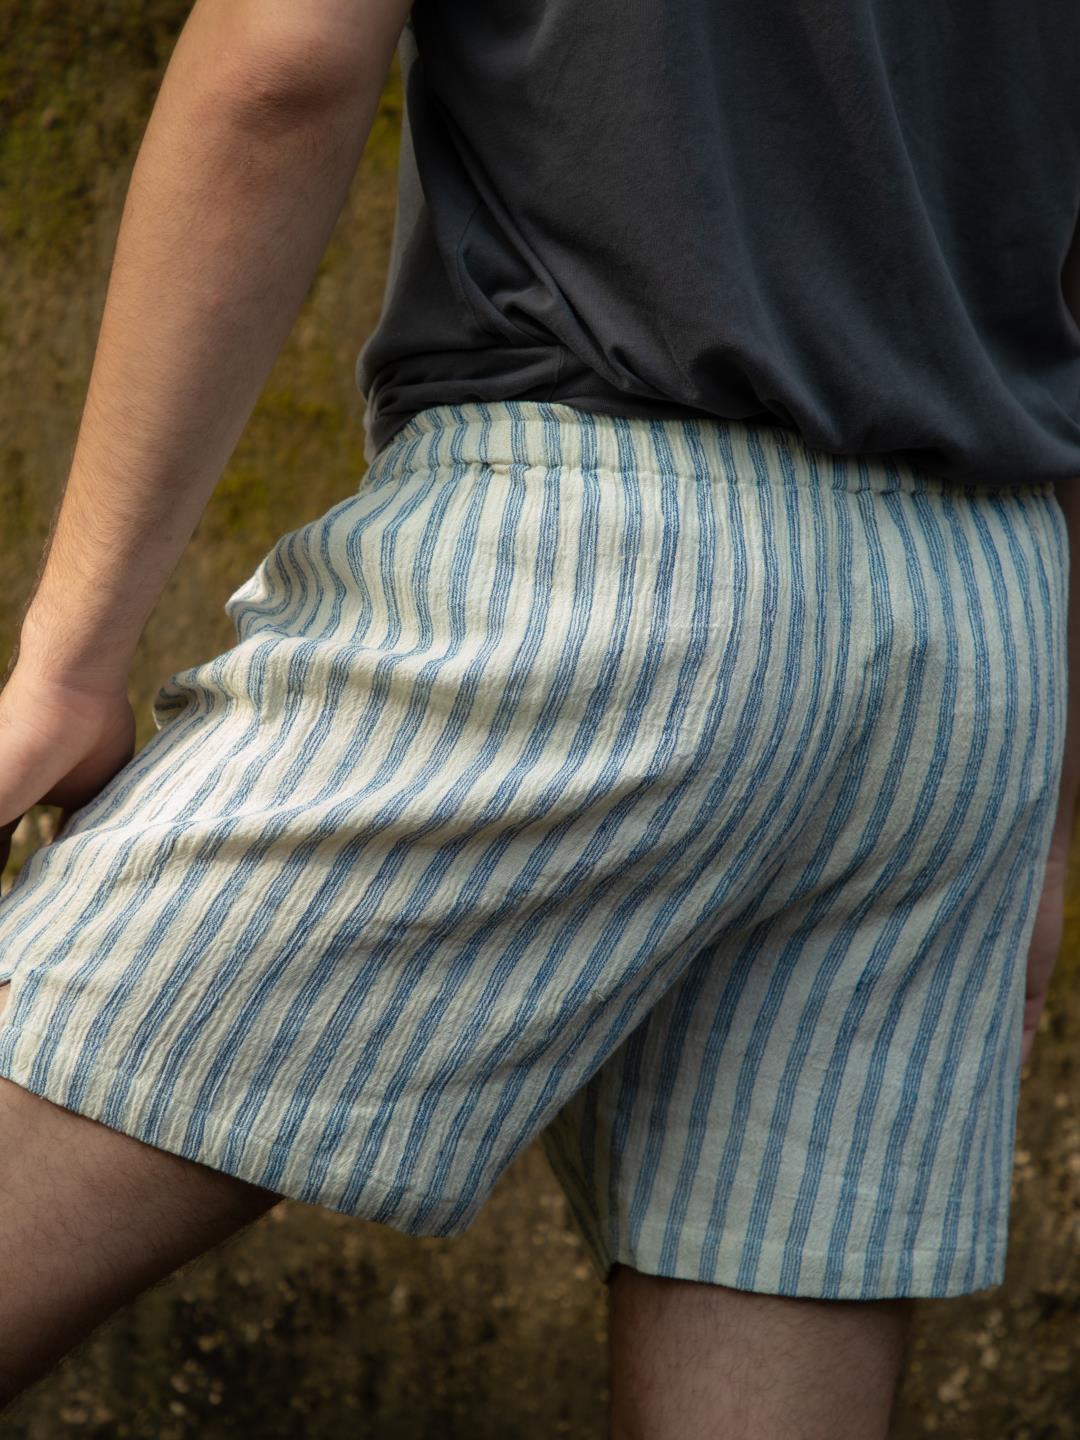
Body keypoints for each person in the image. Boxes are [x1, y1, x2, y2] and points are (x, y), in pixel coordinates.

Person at [1, 0, 1078, 1432]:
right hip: (978, 626)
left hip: (596, 566)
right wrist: (1049, 808)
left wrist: (70, 658)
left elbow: (280, 66)